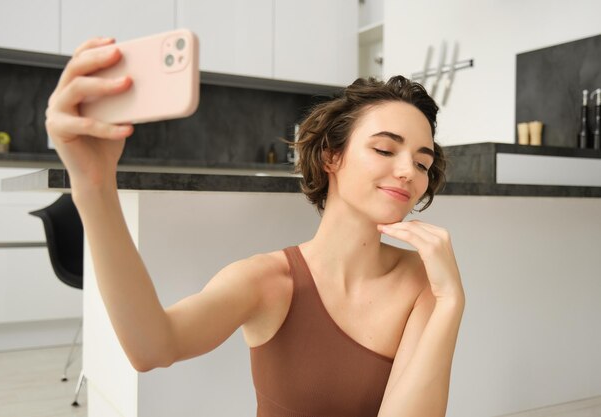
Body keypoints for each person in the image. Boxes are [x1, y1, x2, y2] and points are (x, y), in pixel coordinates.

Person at [45, 37, 465, 417]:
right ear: (330, 157)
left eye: (423, 162)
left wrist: (450, 302)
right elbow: (152, 346)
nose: (409, 170)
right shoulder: (267, 280)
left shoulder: (424, 282)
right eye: (385, 148)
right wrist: (94, 185)